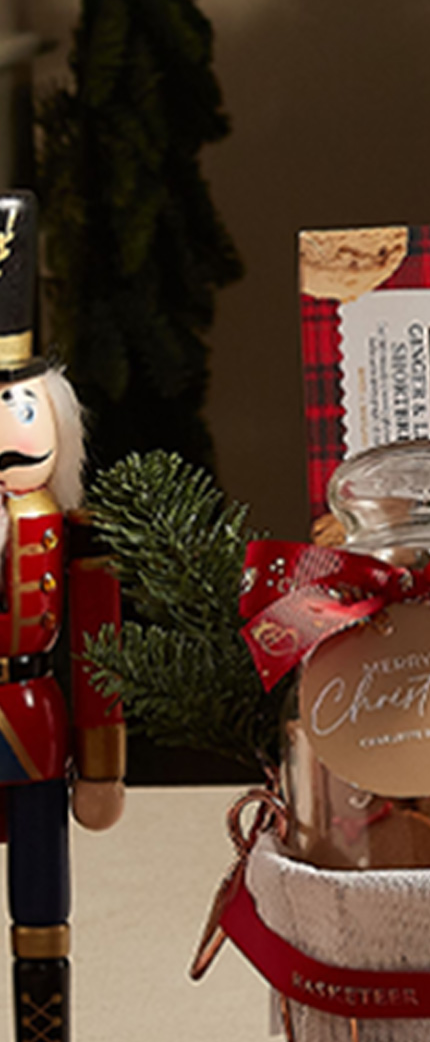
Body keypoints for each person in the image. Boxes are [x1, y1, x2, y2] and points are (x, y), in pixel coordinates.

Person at [0, 191, 124, 1042]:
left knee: (42, 908)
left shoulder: (76, 537)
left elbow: (97, 650)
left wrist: (105, 765)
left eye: (20, 406)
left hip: (35, 729)